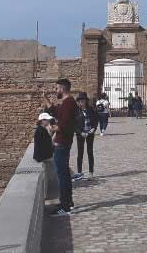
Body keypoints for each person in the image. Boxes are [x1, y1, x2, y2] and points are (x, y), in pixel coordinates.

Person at [44, 78, 78, 216]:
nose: (56, 90)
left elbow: (65, 125)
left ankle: (65, 206)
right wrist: (45, 98)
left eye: (57, 88)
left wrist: (53, 128)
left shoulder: (69, 103)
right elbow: (56, 112)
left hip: (62, 144)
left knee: (62, 175)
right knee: (64, 174)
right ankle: (67, 202)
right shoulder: (66, 103)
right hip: (63, 143)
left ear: (62, 89)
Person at [72, 92, 99, 181]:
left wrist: (94, 129)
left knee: (90, 152)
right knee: (80, 153)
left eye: (82, 101)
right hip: (81, 134)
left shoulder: (91, 109)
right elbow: (74, 125)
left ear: (85, 101)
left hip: (90, 133)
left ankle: (91, 172)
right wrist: (80, 132)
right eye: (79, 101)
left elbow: (95, 120)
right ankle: (79, 173)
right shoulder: (76, 111)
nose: (81, 103)